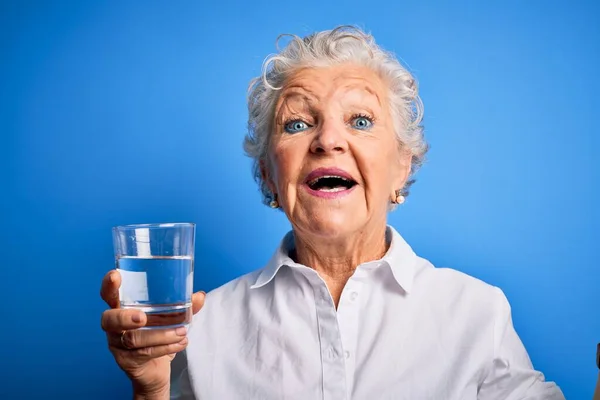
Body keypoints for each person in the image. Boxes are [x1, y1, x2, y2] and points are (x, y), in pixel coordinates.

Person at [100, 26, 565, 399]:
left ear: (402, 166)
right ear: (267, 176)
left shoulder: (476, 313)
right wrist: (152, 389)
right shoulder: (200, 330)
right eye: (298, 123)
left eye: (360, 121)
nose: (327, 141)